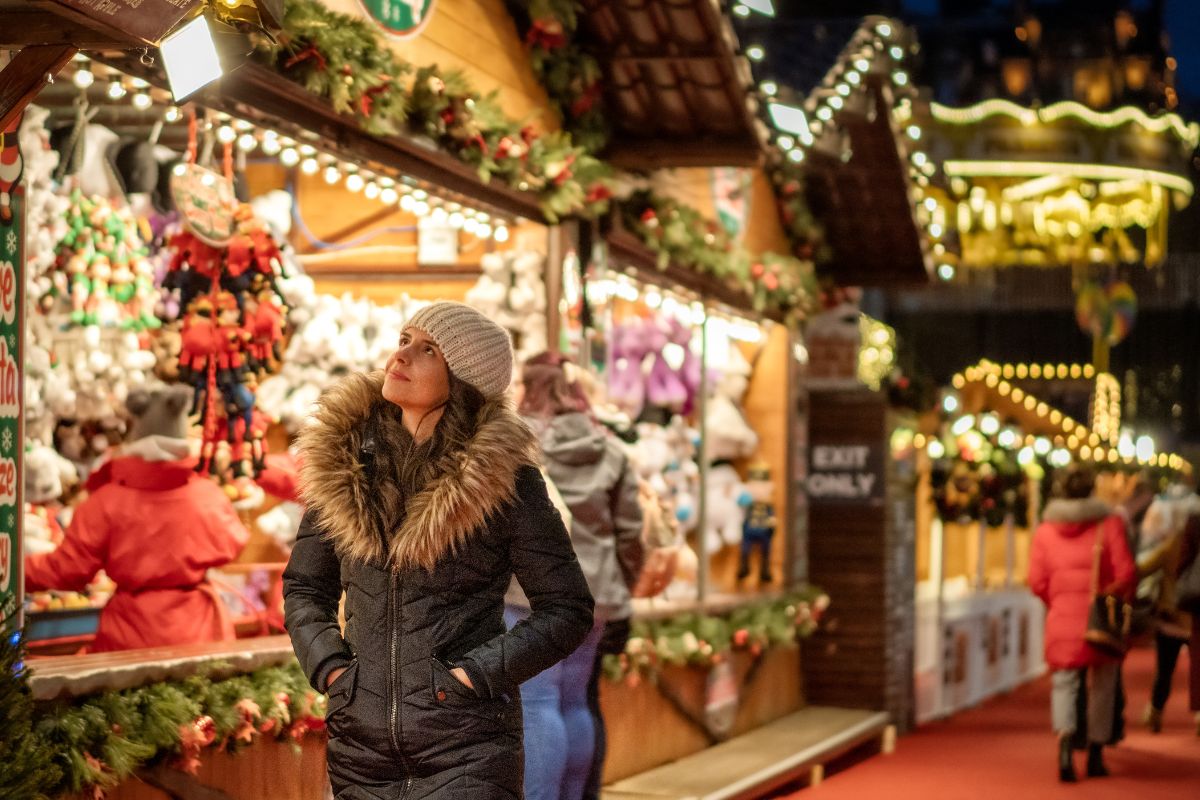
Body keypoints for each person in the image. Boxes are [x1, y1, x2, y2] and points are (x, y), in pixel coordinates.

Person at [283, 303, 595, 800]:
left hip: (468, 749)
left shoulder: (503, 481)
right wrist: (333, 671)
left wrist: (474, 675)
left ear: (464, 380)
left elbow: (567, 609)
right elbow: (304, 586)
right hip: (360, 750)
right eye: (404, 338)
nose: (400, 356)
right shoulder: (347, 468)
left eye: (427, 349)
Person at [509, 352, 644, 800]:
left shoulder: (515, 442)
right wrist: (624, 585)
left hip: (531, 593)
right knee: (573, 699)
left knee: (538, 701)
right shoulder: (609, 447)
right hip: (595, 592)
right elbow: (630, 532)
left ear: (529, 387)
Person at [25, 386, 250, 652]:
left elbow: (66, 570)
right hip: (202, 635)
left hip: (130, 638)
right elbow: (234, 543)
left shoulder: (106, 502)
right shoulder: (208, 495)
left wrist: (14, 570)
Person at [1028, 465, 1134, 783]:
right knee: (1103, 685)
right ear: (1090, 491)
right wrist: (1109, 596)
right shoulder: (1108, 523)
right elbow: (1126, 572)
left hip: (1062, 619)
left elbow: (1036, 581)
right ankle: (1097, 755)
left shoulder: (1045, 531)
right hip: (1099, 619)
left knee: (1064, 684)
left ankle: (1064, 749)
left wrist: (1058, 601)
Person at [1138, 492, 1196, 733]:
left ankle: (1156, 711)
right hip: (1195, 619)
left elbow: (1146, 567)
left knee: (1165, 669)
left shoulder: (1173, 544)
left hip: (1172, 615)